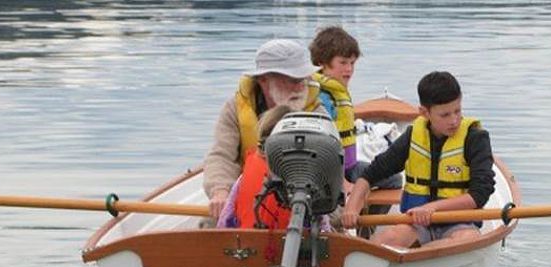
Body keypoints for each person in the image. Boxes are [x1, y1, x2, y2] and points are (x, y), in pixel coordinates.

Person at [341, 71, 495, 248]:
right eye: (445, 115)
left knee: (466, 239)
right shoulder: (413, 135)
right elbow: (370, 175)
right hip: (416, 223)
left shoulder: (475, 138)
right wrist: (352, 207)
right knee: (388, 239)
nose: (454, 120)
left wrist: (434, 208)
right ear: (424, 113)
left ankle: (419, 258)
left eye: (457, 111)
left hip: (460, 223)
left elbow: (480, 194)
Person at [203, 39, 326, 219]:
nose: (300, 86)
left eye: (304, 79)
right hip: (248, 196)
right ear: (263, 80)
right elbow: (221, 155)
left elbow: (327, 167)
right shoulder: (235, 109)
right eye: (292, 79)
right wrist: (220, 190)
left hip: (301, 200)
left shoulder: (318, 114)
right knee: (209, 224)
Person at [308, 26, 402, 196]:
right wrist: (343, 183)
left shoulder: (337, 90)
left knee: (393, 177)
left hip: (349, 166)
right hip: (337, 174)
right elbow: (320, 146)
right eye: (343, 62)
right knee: (395, 180)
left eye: (352, 63)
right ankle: (366, 216)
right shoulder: (322, 98)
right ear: (322, 61)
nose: (349, 69)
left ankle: (367, 218)